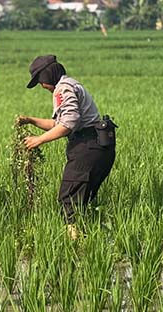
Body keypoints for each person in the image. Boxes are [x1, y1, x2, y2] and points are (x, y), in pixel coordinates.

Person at [18, 55, 115, 239]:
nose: (42, 86)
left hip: (87, 146)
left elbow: (69, 123)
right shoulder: (70, 84)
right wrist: (30, 120)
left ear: (48, 75)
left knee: (68, 197)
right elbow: (58, 123)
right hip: (99, 146)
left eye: (41, 81)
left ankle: (75, 242)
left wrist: (38, 140)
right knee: (82, 199)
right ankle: (90, 238)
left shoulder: (62, 88)